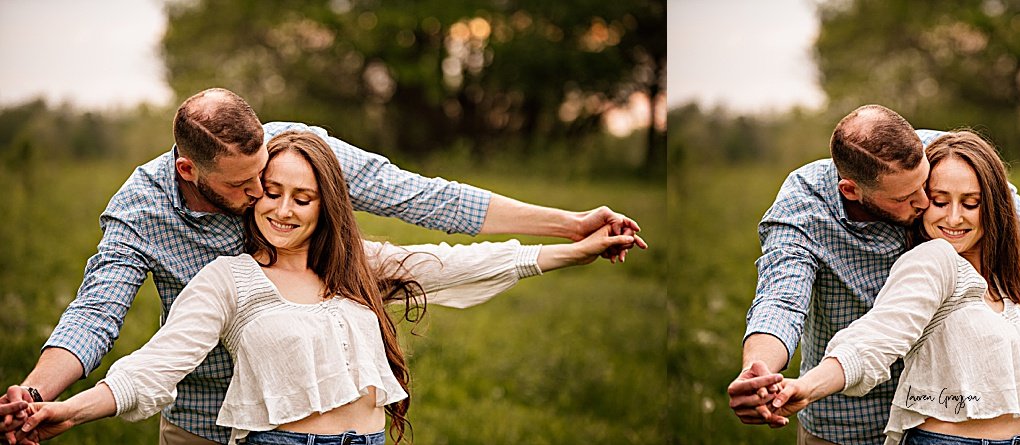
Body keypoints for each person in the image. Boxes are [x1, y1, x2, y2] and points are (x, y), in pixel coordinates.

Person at [0, 88, 645, 445]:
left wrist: (570, 225)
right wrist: (37, 394)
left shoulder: (290, 155)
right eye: (247, 187)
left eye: (281, 185)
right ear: (188, 170)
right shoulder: (141, 212)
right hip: (203, 421)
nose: (265, 199)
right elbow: (96, 315)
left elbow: (422, 199)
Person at [726, 105, 1020, 445]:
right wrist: (763, 374)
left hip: (935, 415)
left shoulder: (944, 160)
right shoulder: (810, 209)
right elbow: (783, 300)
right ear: (852, 191)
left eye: (930, 190)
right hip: (846, 421)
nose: (926, 207)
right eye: (914, 200)